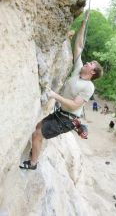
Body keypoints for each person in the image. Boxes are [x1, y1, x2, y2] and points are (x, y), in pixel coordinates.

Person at [19, 11, 103, 170]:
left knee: (37, 133)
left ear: (93, 72)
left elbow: (73, 105)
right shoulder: (79, 69)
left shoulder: (89, 87)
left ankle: (33, 163)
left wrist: (54, 95)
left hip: (67, 119)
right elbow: (78, 45)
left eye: (91, 63)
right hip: (62, 113)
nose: (87, 63)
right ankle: (35, 152)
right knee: (38, 127)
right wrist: (84, 23)